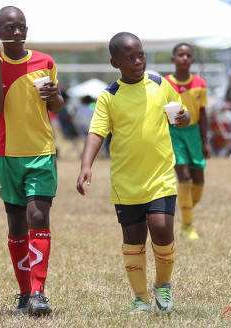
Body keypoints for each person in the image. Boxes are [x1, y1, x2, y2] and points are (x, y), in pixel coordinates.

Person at [76, 32, 190, 314]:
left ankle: (163, 285)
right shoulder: (109, 96)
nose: (138, 61)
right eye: (130, 57)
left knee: (162, 229)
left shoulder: (160, 83)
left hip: (161, 176)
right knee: (134, 239)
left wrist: (183, 117)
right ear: (115, 62)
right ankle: (140, 298)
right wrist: (85, 165)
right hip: (126, 182)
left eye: (141, 55)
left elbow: (180, 112)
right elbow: (97, 132)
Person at [0, 6, 64, 316]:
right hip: (8, 155)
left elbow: (57, 104)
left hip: (41, 152)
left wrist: (54, 95)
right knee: (16, 225)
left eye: (22, 26)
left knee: (38, 217)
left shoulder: (46, 62)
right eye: (10, 27)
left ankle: (40, 293)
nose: (17, 32)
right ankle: (25, 293)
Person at [164, 43, 210, 240]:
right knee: (183, 177)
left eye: (188, 55)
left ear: (192, 60)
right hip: (173, 132)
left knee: (198, 182)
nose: (184, 58)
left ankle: (185, 213)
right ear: (173, 59)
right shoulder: (164, 83)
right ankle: (187, 226)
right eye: (181, 54)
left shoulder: (200, 82)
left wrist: (204, 141)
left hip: (193, 133)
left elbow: (203, 113)